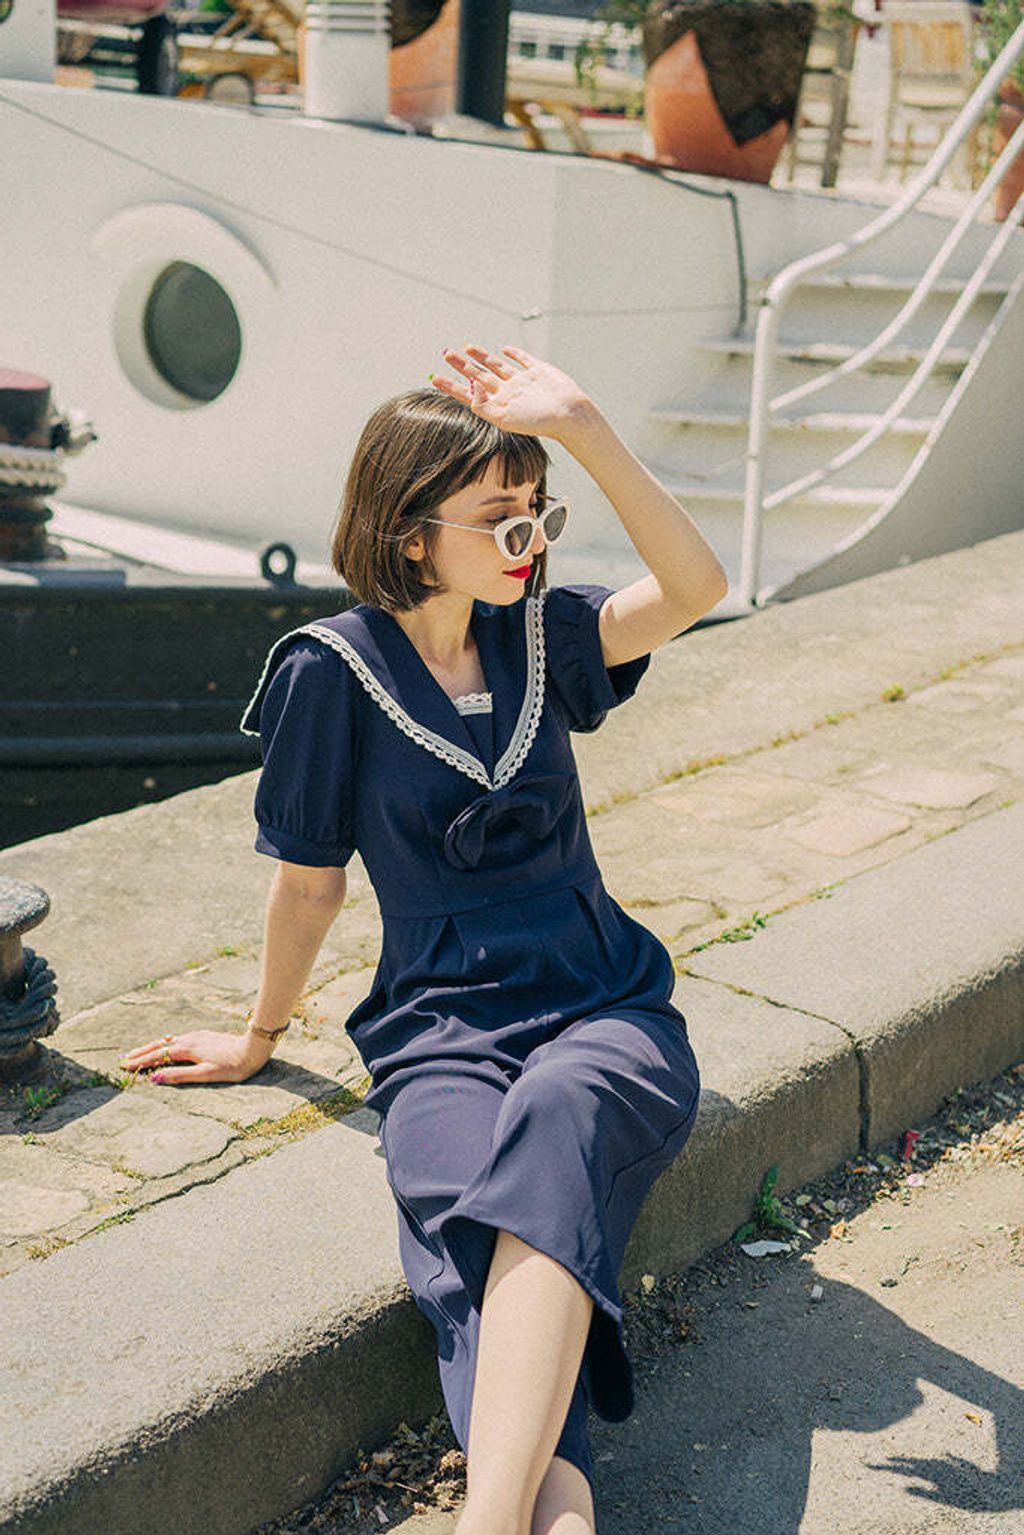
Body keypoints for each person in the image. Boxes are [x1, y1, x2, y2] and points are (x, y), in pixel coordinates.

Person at [118, 343, 729, 1535]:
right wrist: (258, 1035)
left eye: (537, 511)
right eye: (499, 520)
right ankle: (549, 1512)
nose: (529, 541)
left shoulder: (544, 634)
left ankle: (484, 1519)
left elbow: (693, 582)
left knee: (558, 1113)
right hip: (439, 1025)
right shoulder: (328, 673)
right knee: (469, 1224)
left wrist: (586, 425)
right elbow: (310, 888)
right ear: (409, 534)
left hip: (603, 999)